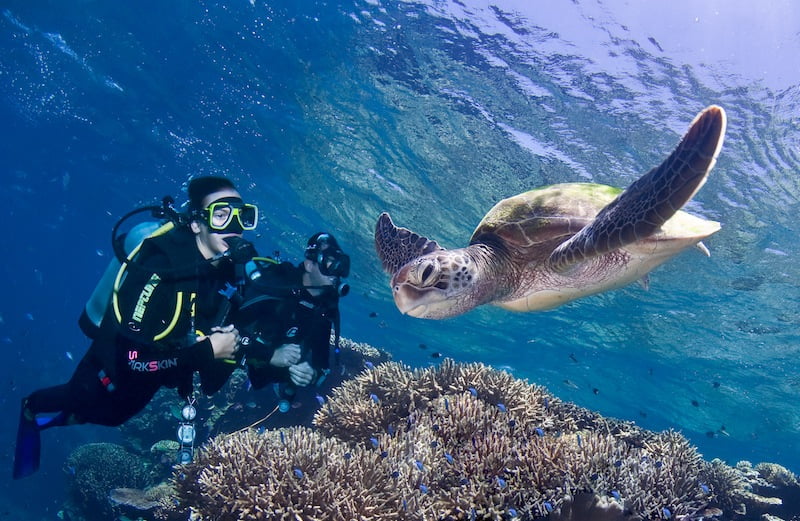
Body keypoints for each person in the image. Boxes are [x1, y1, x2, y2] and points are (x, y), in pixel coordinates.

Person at [13, 176, 258, 479]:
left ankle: (53, 419)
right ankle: (31, 408)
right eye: (221, 214)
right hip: (106, 373)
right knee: (81, 403)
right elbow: (132, 361)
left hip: (148, 381)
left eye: (241, 215)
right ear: (196, 223)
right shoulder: (161, 267)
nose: (233, 225)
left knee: (115, 418)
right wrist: (207, 351)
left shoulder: (220, 271)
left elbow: (208, 374)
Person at [236, 232, 350, 403]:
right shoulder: (278, 285)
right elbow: (229, 328)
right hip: (241, 355)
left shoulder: (325, 308)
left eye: (340, 265)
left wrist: (311, 375)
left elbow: (321, 365)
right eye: (329, 262)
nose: (335, 273)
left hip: (270, 374)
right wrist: (270, 355)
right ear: (309, 264)